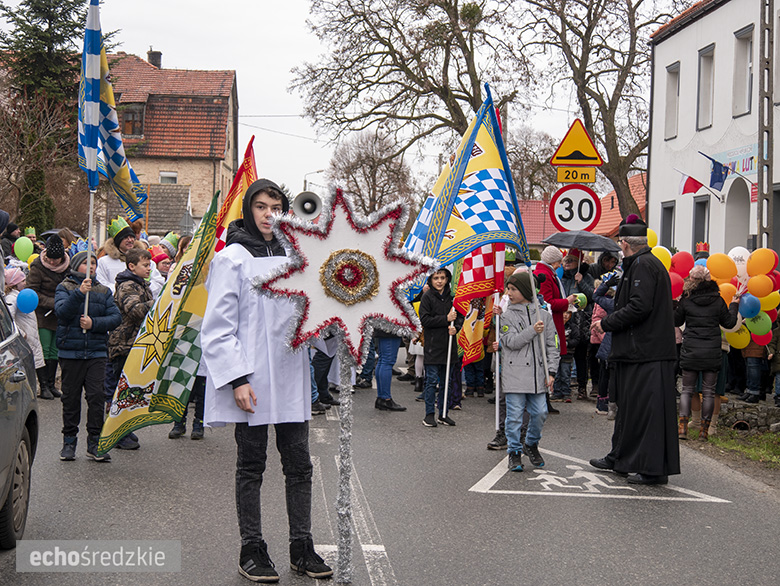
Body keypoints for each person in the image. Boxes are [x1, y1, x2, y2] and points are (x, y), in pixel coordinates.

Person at [201, 178, 332, 582]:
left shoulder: (298, 259)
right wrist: (237, 378)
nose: (268, 215)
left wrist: (338, 322)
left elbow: (316, 313)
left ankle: (302, 547)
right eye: (260, 206)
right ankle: (252, 548)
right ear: (249, 210)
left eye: (275, 207)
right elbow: (217, 328)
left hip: (292, 375)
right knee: (251, 466)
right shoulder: (233, 258)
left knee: (299, 466)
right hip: (252, 379)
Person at [590, 214, 679, 485]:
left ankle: (651, 468)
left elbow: (639, 307)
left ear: (625, 244)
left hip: (647, 352)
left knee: (646, 412)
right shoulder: (642, 263)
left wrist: (606, 323)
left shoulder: (642, 265)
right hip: (638, 351)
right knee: (628, 408)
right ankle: (620, 457)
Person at [55, 250, 121, 462]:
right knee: (70, 398)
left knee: (96, 396)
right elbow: (62, 314)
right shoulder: (64, 287)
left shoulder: (103, 291)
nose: (91, 267)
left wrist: (94, 324)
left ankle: (95, 441)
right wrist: (79, 294)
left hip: (96, 352)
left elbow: (115, 317)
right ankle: (69, 441)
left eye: (93, 263)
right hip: (71, 352)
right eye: (86, 263)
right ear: (76, 266)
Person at [493, 271, 559, 471]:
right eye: (509, 289)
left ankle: (530, 443)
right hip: (514, 375)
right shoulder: (506, 316)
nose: (509, 293)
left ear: (526, 291)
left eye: (514, 289)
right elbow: (511, 342)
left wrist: (552, 372)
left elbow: (552, 345)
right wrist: (532, 330)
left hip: (538, 376)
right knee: (514, 417)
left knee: (540, 413)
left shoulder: (544, 316)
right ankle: (514, 450)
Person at [674, 265, 739, 440]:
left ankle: (682, 428)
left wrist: (675, 303)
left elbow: (676, 320)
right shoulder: (717, 300)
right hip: (711, 350)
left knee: (687, 389)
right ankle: (704, 431)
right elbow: (730, 323)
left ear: (693, 281)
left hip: (691, 349)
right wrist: (734, 305)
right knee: (709, 391)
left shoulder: (686, 300)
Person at [107, 247, 156, 450]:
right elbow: (135, 311)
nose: (149, 268)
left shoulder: (141, 284)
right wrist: (158, 303)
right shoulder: (128, 286)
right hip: (124, 344)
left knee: (131, 389)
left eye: (149, 264)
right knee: (121, 390)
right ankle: (116, 433)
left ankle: (124, 428)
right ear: (131, 266)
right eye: (145, 265)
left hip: (136, 344)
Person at [27, 235, 71, 399]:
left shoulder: (68, 267)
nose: (53, 262)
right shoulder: (37, 267)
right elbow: (31, 291)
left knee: (55, 351)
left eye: (56, 259)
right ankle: (43, 385)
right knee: (44, 350)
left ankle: (52, 384)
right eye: (50, 259)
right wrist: (52, 302)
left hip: (60, 314)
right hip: (43, 314)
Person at [419, 268, 463, 427]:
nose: (439, 281)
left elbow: (460, 317)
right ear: (431, 279)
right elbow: (425, 320)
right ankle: (429, 414)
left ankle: (443, 413)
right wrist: (445, 319)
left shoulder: (453, 298)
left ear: (447, 279)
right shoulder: (427, 297)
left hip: (449, 346)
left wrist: (456, 327)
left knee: (447, 382)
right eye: (436, 278)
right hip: (433, 346)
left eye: (442, 278)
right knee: (431, 381)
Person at [560, 248, 595, 400]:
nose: (566, 263)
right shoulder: (563, 277)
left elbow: (592, 296)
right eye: (566, 260)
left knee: (581, 357)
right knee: (564, 357)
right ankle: (563, 388)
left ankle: (582, 388)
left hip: (581, 323)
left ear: (578, 263)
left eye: (571, 260)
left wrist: (581, 282)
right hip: (566, 322)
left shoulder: (586, 277)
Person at [5, 267, 45, 390]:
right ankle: (34, 388)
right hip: (25, 338)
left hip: (31, 335)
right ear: (15, 283)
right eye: (22, 281)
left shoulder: (22, 295)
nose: (25, 283)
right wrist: (21, 333)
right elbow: (9, 318)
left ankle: (42, 387)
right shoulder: (12, 298)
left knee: (34, 363)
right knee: (27, 365)